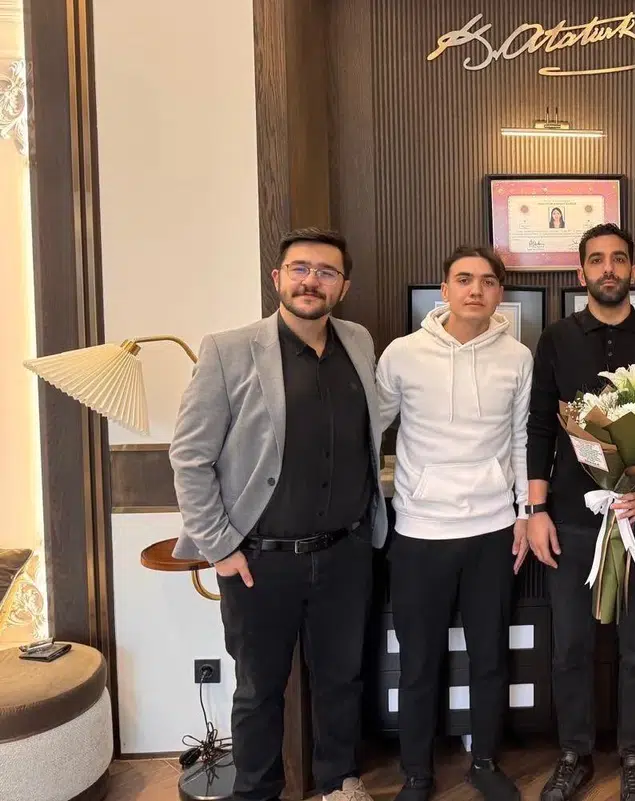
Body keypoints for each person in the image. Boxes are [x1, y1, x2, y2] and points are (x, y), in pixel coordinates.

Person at [169, 227, 386, 801]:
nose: (312, 281)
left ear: (343, 286)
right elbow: (190, 457)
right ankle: (257, 793)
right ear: (278, 278)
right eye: (300, 269)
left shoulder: (358, 342)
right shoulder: (228, 350)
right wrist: (220, 547)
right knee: (259, 690)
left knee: (342, 680)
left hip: (345, 553)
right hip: (258, 561)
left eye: (326, 272)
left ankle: (339, 785)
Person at [526, 223, 635, 801]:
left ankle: (633, 758)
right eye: (596, 260)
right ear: (581, 273)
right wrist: (536, 509)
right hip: (572, 521)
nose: (608, 269)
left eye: (618, 259)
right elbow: (540, 428)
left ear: (633, 270)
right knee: (570, 647)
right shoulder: (556, 339)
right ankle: (573, 753)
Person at [375, 246, 533, 801]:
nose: (475, 290)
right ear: (444, 290)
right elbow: (371, 427)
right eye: (464, 279)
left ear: (499, 293)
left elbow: (521, 440)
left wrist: (524, 513)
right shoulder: (402, 353)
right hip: (420, 531)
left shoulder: (518, 357)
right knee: (420, 662)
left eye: (487, 281)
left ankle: (484, 761)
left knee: (489, 657)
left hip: (492, 529)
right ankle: (417, 773)